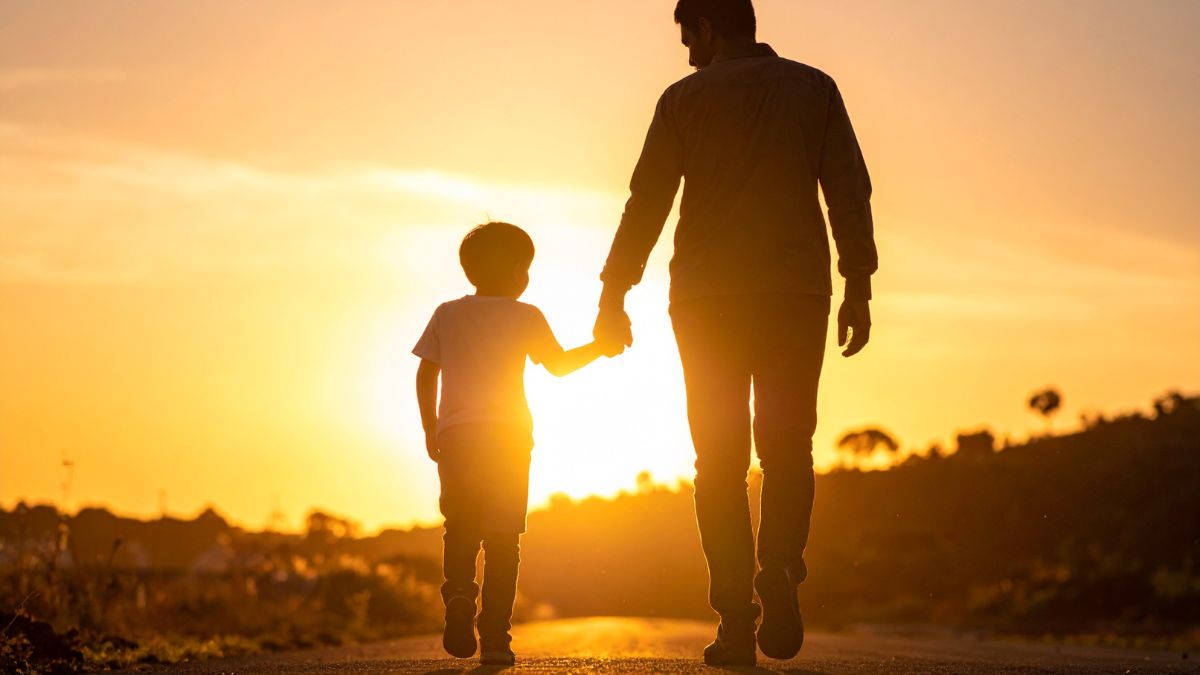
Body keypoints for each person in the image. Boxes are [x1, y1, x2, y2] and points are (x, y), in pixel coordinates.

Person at [593, 0, 878, 665]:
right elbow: (848, 188)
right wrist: (858, 282)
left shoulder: (683, 100)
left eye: (687, 36)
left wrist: (613, 292)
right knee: (787, 447)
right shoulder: (814, 88)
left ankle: (734, 622)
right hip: (794, 292)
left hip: (706, 299)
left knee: (717, 461)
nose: (687, 51)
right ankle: (779, 567)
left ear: (710, 27)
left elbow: (648, 200)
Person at [414, 221, 620, 666]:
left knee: (461, 527)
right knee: (504, 540)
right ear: (515, 270)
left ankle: (459, 595)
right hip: (508, 438)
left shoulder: (447, 314)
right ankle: (494, 639)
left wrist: (431, 426)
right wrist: (600, 348)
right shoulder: (526, 315)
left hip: (458, 437)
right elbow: (559, 366)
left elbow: (426, 371)